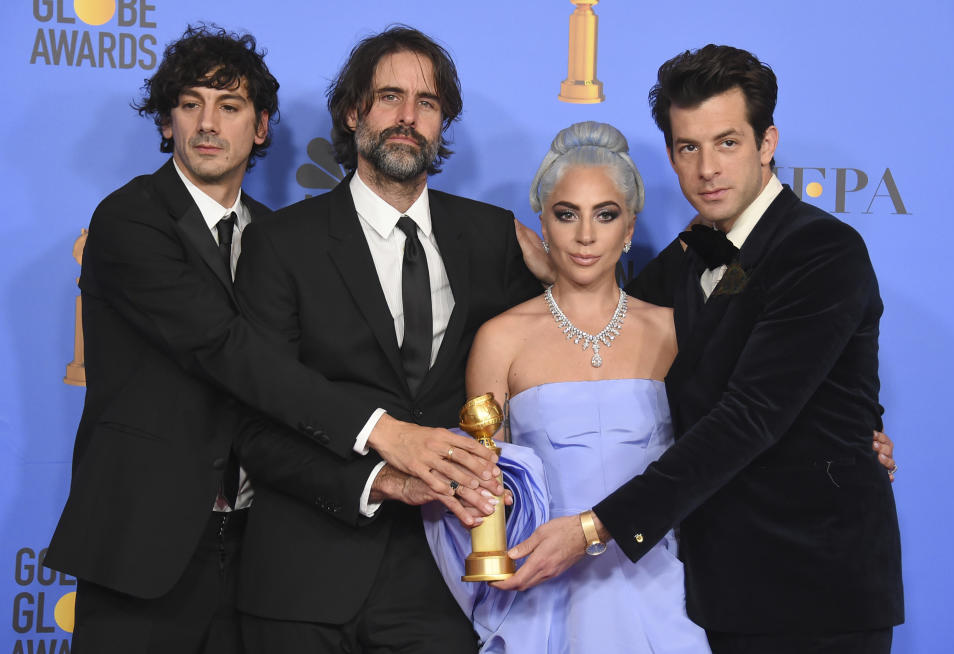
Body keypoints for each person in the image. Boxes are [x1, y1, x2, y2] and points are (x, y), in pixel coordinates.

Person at [44, 23, 503, 654]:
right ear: (166, 123)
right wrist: (382, 431)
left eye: (229, 107)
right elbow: (228, 349)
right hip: (145, 546)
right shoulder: (129, 222)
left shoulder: (273, 235)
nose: (208, 125)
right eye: (190, 105)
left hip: (256, 548)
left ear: (260, 128)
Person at [501, 45, 904, 654]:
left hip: (816, 591)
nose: (707, 168)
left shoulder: (822, 250)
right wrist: (554, 268)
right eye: (689, 147)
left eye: (727, 143)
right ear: (670, 155)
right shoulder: (693, 256)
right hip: (712, 593)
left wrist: (592, 528)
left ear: (767, 143)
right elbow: (615, 318)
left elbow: (752, 416)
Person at [229, 26, 541, 653]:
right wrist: (380, 481)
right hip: (303, 582)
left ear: (442, 121)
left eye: (426, 103)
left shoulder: (492, 237)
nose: (407, 117)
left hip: (446, 581)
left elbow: (549, 355)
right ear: (353, 112)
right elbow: (252, 426)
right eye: (389, 96)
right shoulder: (282, 243)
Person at [424, 121, 711, 653]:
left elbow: (726, 445)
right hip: (543, 598)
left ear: (629, 231)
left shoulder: (676, 332)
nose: (585, 236)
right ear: (543, 224)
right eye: (566, 214)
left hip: (660, 590)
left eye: (605, 215)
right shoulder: (500, 339)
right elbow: (485, 480)